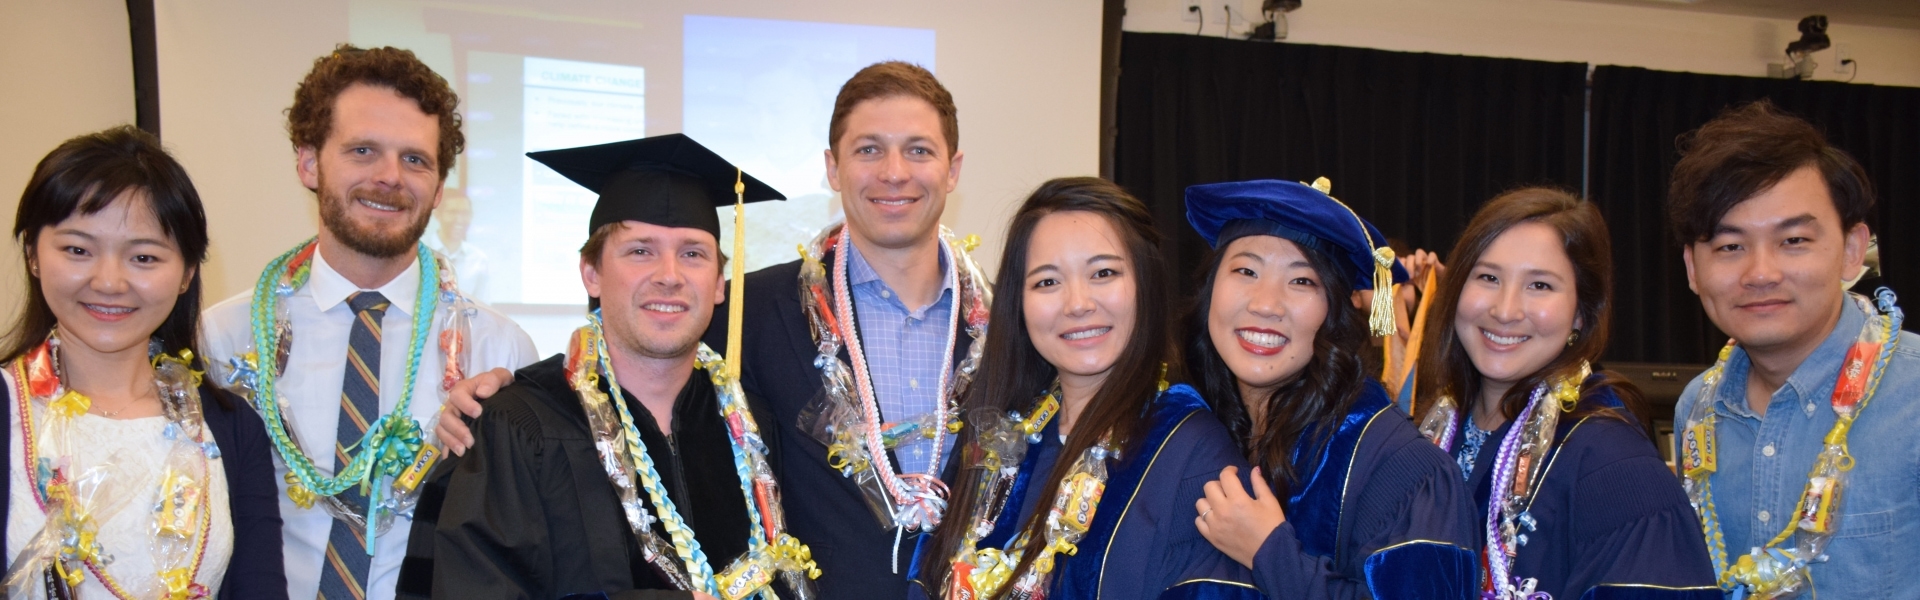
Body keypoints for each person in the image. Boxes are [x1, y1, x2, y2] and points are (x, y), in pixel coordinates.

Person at [435, 61, 988, 597]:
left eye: (918, 149)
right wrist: (505, 393)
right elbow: (628, 347)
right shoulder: (762, 310)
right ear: (833, 166)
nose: (670, 278)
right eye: (869, 148)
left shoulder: (1010, 325)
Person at [398, 134, 818, 600]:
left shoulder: (751, 429)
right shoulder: (517, 426)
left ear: (719, 284)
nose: (670, 275)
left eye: (693, 253)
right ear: (591, 273)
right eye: (640, 250)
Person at [200, 45, 537, 600]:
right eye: (363, 150)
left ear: (438, 182)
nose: (390, 178)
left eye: (415, 159)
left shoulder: (499, 351)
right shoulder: (225, 339)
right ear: (309, 162)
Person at [913, 177, 1254, 599]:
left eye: (1103, 273)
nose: (1077, 303)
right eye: (1047, 282)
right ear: (1017, 304)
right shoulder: (1000, 435)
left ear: (1144, 284)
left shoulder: (1193, 452)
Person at [3, 126, 287, 598]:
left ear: (187, 273)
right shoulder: (7, 408)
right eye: (78, 250)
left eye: (144, 257)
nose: (110, 282)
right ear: (33, 253)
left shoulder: (233, 429)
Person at [1413, 187, 1718, 599]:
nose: (1505, 310)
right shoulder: (1437, 428)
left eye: (1539, 285)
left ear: (1581, 312)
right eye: (1488, 277)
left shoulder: (1612, 461)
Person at [1668, 101, 1919, 599]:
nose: (1761, 273)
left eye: (1794, 239)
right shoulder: (1696, 409)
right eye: (1730, 246)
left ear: (1852, 249)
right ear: (1694, 269)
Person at [1182, 178, 1478, 599]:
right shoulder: (1191, 431)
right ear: (1210, 291)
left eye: (1302, 281)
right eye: (1245, 270)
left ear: (1335, 311)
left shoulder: (1405, 473)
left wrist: (1273, 555)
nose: (1266, 303)